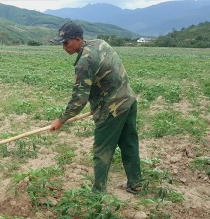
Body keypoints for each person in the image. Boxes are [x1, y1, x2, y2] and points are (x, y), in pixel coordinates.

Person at [49, 21, 142, 194]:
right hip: (128, 99)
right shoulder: (99, 43)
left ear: (77, 40)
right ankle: (135, 184)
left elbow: (79, 98)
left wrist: (61, 120)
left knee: (102, 150)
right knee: (129, 144)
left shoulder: (84, 61)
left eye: (66, 42)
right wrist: (98, 100)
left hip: (113, 108)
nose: (64, 47)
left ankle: (98, 193)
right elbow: (107, 75)